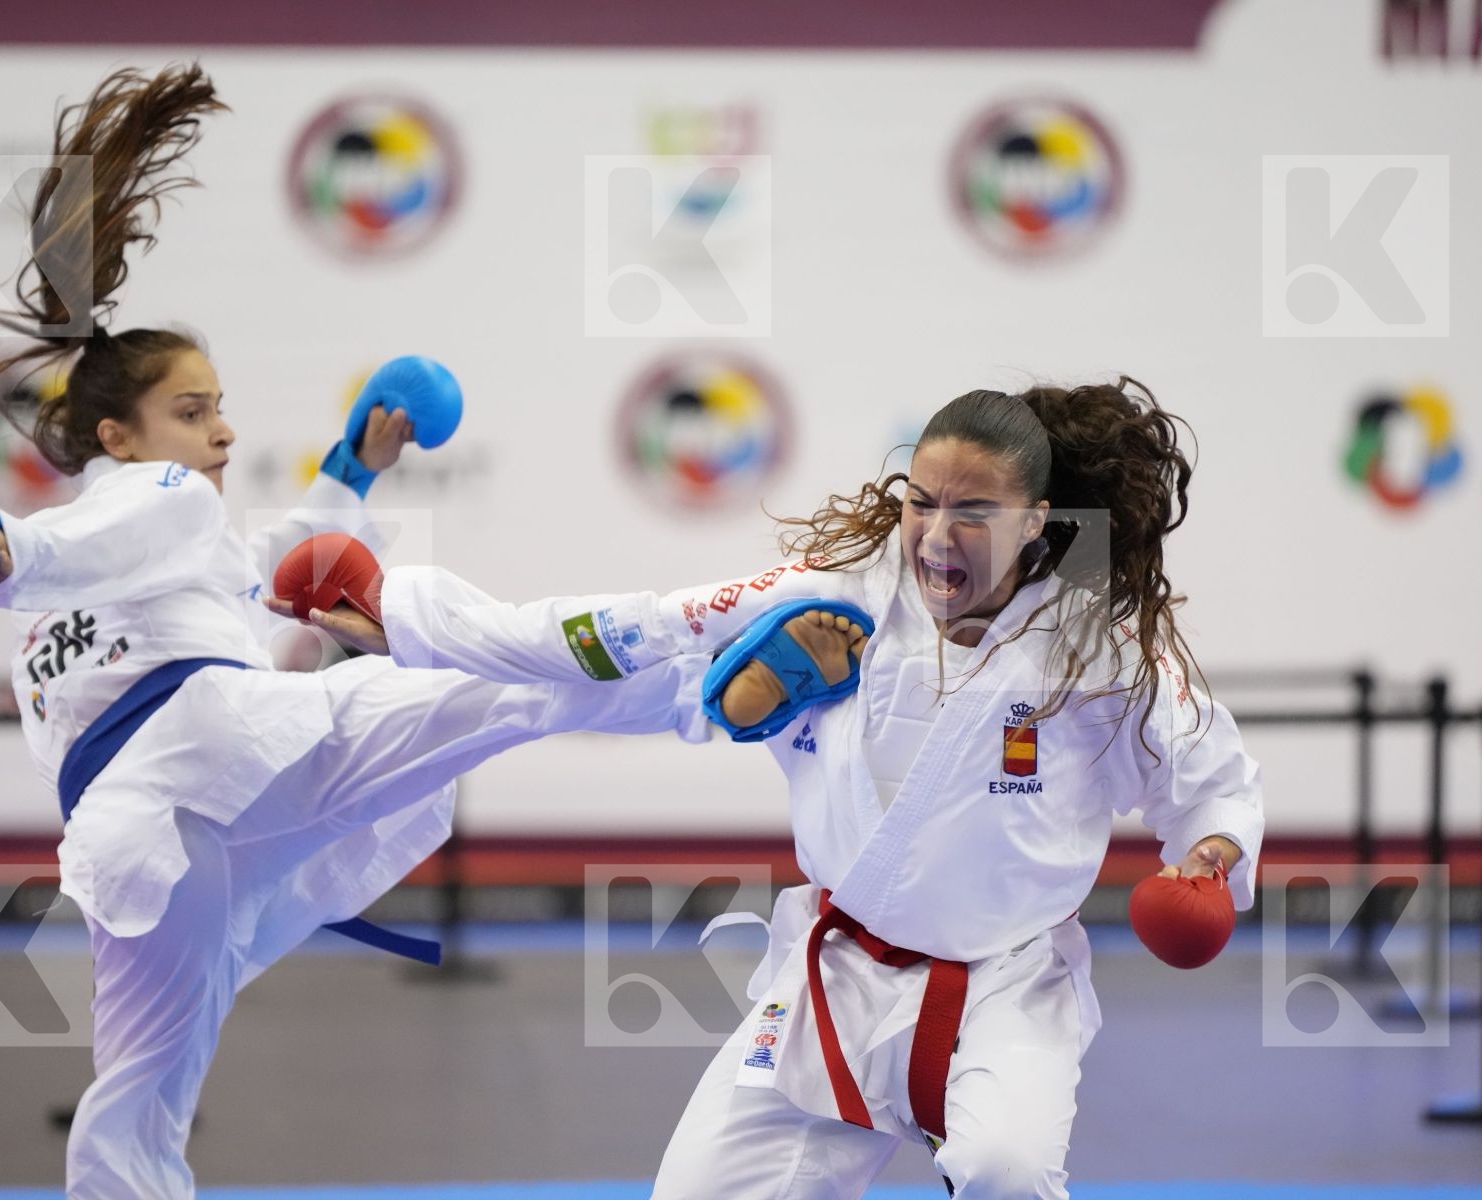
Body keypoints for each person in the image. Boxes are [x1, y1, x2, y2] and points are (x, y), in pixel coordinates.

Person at [0, 64, 714, 1199]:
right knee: (492, 689)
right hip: (220, 757)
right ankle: (706, 664)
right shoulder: (146, 512)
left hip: (134, 844)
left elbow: (271, 592)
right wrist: (10, 553)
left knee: (136, 1104)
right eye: (194, 412)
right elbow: (110, 543)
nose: (224, 434)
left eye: (223, 407)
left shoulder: (91, 596)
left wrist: (352, 468)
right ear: (117, 438)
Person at [299, 380, 1265, 1199]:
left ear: (1037, 522)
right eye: (920, 502)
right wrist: (406, 617)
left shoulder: (1097, 648)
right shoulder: (844, 592)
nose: (936, 536)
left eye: (973, 513)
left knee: (1006, 1169)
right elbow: (632, 625)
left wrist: (1211, 860)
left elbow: (1210, 779)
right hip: (834, 976)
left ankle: (741, 698)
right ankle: (741, 693)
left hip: (1007, 987)